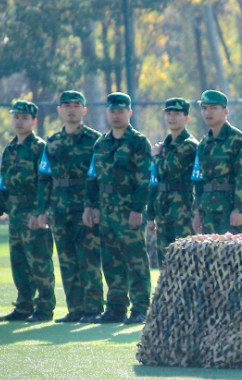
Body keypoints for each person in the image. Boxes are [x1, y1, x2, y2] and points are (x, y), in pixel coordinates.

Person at [35, 91, 104, 323]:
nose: (71, 109)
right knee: (66, 259)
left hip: (84, 207)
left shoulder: (95, 140)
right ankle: (75, 309)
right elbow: (44, 177)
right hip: (59, 208)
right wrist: (42, 209)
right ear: (59, 110)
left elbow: (98, 177)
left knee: (89, 258)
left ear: (84, 110)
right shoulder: (52, 142)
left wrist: (94, 206)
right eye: (67, 105)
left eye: (76, 105)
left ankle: (93, 308)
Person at [83, 92, 152, 324]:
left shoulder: (138, 141)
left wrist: (138, 209)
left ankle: (141, 308)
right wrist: (90, 206)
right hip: (106, 211)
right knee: (111, 262)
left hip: (128, 211)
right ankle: (116, 309)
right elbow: (92, 178)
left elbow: (144, 179)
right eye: (113, 111)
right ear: (107, 113)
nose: (116, 115)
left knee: (136, 261)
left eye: (121, 111)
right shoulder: (101, 144)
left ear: (129, 113)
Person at [0, 100, 56, 323]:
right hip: (15, 213)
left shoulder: (39, 148)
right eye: (16, 117)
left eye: (24, 118)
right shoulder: (10, 149)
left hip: (33, 212)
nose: (19, 122)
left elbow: (45, 182)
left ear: (34, 121)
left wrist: (40, 212)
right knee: (18, 262)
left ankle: (45, 307)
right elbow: (2, 181)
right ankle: (24, 306)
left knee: (39, 261)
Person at [191, 90, 242, 235]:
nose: (208, 112)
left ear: (225, 111)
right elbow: (199, 181)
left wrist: (238, 208)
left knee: (233, 256)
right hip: (208, 212)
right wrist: (197, 211)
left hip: (229, 211)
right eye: (204, 108)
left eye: (214, 108)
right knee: (209, 256)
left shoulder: (238, 140)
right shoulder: (203, 144)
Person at [147, 98, 198, 267]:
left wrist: (156, 156)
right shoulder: (165, 146)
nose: (172, 118)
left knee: (185, 260)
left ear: (186, 118)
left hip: (182, 210)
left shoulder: (189, 145)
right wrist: (150, 215)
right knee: (165, 261)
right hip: (163, 210)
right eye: (168, 113)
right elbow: (154, 181)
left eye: (177, 114)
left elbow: (166, 169)